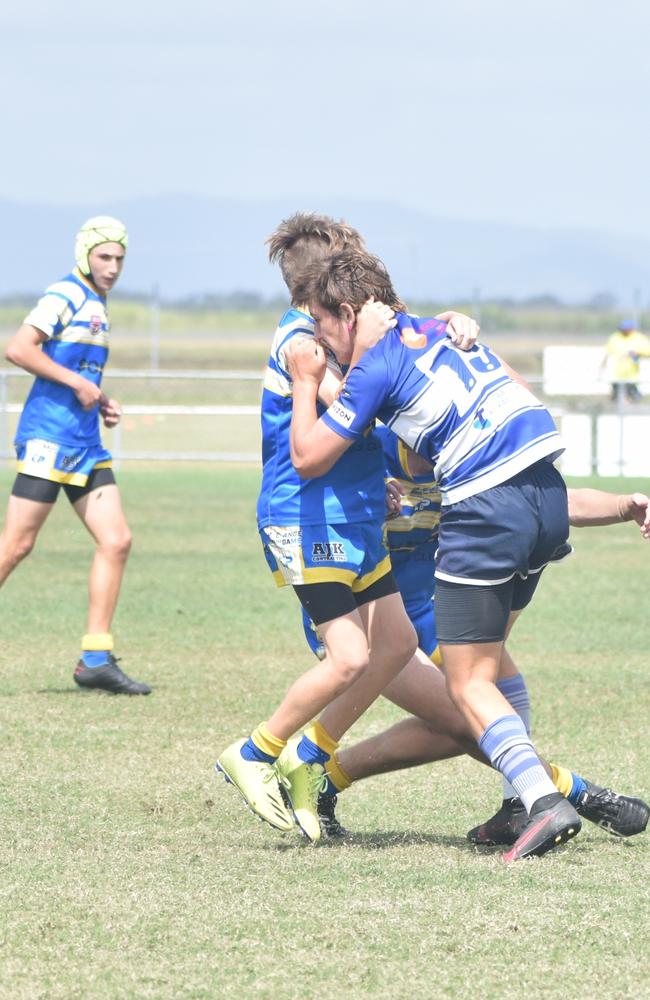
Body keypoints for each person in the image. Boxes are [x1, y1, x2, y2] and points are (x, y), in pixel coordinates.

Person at [286, 248, 619, 861]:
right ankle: (544, 796)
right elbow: (520, 403)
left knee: (475, 693)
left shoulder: (381, 366)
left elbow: (310, 449)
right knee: (485, 694)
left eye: (323, 325)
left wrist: (309, 382)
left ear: (351, 312)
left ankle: (541, 802)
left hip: (472, 532)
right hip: (497, 519)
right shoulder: (428, 337)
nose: (317, 340)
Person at [215, 213, 478, 842]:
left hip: (355, 513)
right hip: (309, 518)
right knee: (352, 654)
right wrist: (378, 347)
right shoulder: (299, 340)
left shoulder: (328, 328)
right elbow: (351, 400)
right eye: (346, 262)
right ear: (319, 282)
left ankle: (310, 762)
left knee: (393, 644)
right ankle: (254, 753)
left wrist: (445, 327)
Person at [303, 426, 650, 844]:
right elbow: (311, 498)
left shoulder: (463, 450)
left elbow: (558, 498)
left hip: (430, 614)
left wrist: (623, 505)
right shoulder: (371, 449)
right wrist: (366, 502)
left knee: (494, 697)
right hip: (365, 618)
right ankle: (570, 790)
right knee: (467, 719)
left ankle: (328, 779)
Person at [0, 216, 150, 695]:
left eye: (120, 259)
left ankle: (95, 659)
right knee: (16, 547)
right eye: (104, 257)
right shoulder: (65, 294)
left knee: (117, 540)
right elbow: (19, 349)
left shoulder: (98, 303)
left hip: (84, 443)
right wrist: (80, 383)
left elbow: (75, 370)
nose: (113, 267)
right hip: (49, 438)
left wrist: (99, 397)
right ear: (85, 255)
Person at [601, 319, 650, 403]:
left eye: (627, 328)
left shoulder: (639, 338)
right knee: (616, 397)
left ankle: (632, 407)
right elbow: (607, 353)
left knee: (633, 396)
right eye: (623, 328)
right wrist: (603, 366)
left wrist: (638, 353)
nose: (625, 331)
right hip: (616, 374)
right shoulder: (615, 337)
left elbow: (647, 352)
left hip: (632, 374)